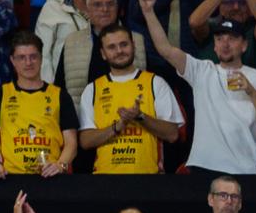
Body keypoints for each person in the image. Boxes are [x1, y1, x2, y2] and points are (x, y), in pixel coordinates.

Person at [142, 0, 256, 176]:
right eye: (220, 38)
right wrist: (148, 12)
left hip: (244, 169)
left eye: (232, 38)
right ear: (214, 46)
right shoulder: (202, 70)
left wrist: (251, 92)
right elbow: (165, 49)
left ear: (244, 45)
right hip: (203, 164)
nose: (225, 44)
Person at [77, 23, 183, 174]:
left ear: (133, 46)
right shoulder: (92, 89)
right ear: (103, 53)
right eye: (112, 47)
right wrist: (117, 127)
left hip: (148, 178)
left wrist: (140, 117)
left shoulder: (155, 83)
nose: (119, 51)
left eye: (124, 44)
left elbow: (172, 134)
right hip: (104, 180)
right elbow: (85, 141)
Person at [49, 0, 148, 101]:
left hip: (130, 113)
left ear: (117, 8)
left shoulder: (138, 41)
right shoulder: (72, 42)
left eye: (110, 4)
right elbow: (60, 90)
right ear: (87, 9)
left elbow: (149, 87)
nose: (105, 9)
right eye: (97, 5)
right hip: (81, 115)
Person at [187, 0, 256, 68]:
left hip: (247, 83)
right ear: (220, 8)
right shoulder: (211, 29)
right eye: (230, 2)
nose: (236, 7)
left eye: (241, 2)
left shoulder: (253, 33)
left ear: (250, 9)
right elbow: (194, 22)